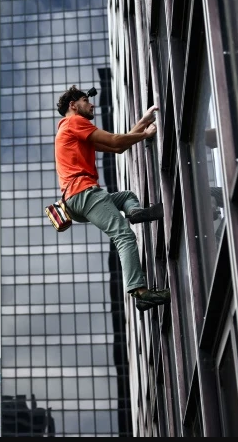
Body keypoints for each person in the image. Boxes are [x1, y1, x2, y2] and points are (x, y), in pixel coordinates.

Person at [55, 85, 170, 312]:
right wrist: (145, 133)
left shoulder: (69, 132)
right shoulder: (74, 123)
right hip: (84, 192)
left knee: (126, 196)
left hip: (75, 201)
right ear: (73, 105)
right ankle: (141, 293)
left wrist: (144, 123)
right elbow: (117, 141)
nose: (92, 104)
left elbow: (117, 146)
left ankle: (135, 212)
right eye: (86, 100)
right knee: (124, 237)